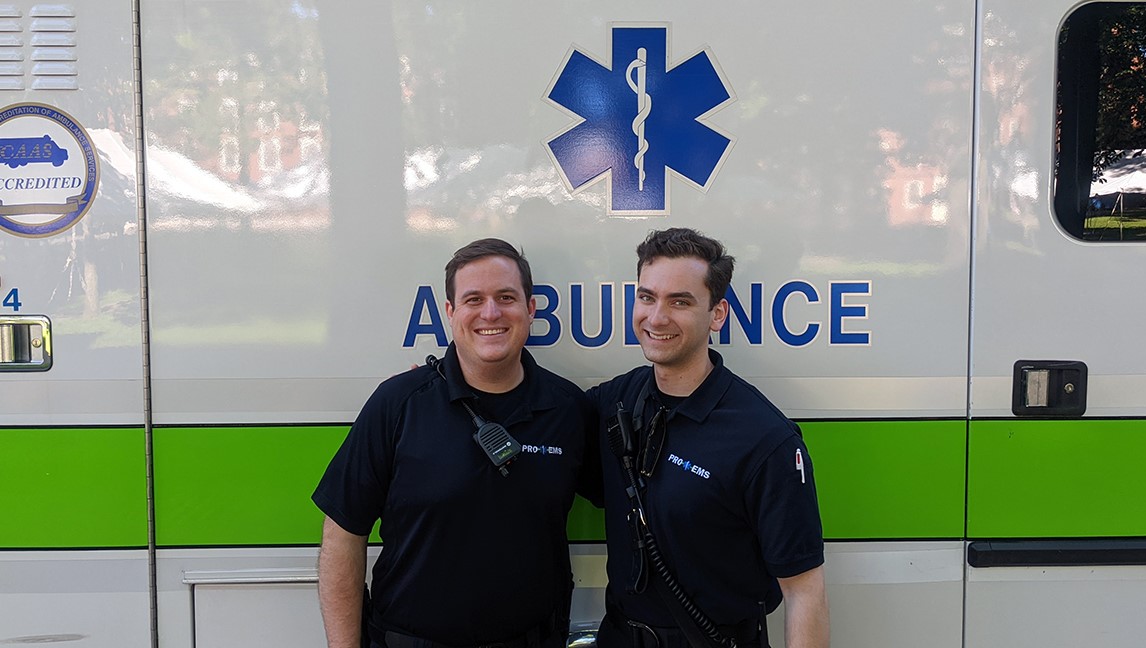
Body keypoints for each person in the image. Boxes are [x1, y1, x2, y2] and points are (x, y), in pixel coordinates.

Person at [312, 238, 597, 648]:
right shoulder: (398, 405)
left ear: (531, 309)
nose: (491, 313)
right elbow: (342, 534)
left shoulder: (568, 410)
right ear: (451, 312)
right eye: (473, 300)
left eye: (506, 297)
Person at [588, 228, 829, 648]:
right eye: (647, 297)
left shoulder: (763, 437)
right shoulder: (615, 400)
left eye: (680, 301)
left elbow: (804, 590)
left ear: (717, 315)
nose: (656, 317)